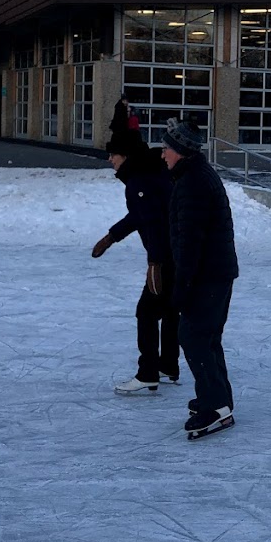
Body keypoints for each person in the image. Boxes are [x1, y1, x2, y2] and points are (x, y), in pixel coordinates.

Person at [161, 118, 239, 439]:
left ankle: (215, 406)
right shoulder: (194, 175)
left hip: (207, 275)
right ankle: (219, 400)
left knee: (193, 337)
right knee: (206, 337)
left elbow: (190, 242)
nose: (162, 153)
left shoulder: (192, 182)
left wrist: (181, 287)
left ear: (180, 151)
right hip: (216, 273)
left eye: (166, 148)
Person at [91, 130, 180, 394]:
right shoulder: (150, 172)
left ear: (126, 156)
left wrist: (155, 263)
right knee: (169, 309)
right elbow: (140, 215)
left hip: (166, 255)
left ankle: (148, 373)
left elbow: (153, 221)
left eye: (113, 154)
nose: (110, 160)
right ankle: (167, 366)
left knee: (147, 312)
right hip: (177, 252)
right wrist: (112, 236)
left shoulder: (139, 181)